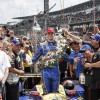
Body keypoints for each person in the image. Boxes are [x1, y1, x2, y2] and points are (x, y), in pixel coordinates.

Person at [32, 27, 60, 93]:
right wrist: (43, 59)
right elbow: (34, 59)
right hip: (46, 72)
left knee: (55, 92)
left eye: (52, 33)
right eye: (49, 33)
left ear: (54, 34)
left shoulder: (59, 45)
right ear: (46, 34)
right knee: (46, 92)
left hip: (55, 71)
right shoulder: (42, 45)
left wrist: (73, 59)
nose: (50, 35)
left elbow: (65, 56)